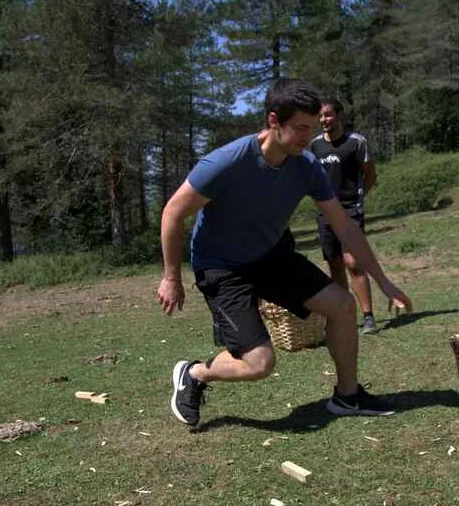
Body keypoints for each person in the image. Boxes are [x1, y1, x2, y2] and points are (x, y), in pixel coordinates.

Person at [156, 78, 413, 428]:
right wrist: (171, 277)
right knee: (260, 363)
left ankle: (347, 396)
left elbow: (344, 226)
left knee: (342, 305)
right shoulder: (227, 162)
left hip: (271, 256)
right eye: (301, 128)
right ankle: (195, 373)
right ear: (274, 121)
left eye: (312, 127)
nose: (309, 137)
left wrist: (383, 281)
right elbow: (173, 213)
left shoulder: (306, 166)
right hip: (222, 267)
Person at [309, 98, 380, 335]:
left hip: (350, 210)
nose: (323, 120)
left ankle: (368, 317)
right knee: (335, 263)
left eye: (328, 115)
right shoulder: (315, 145)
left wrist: (358, 198)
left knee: (353, 262)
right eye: (320, 116)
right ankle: (345, 314)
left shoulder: (356, 142)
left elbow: (370, 175)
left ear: (339, 116)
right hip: (325, 212)